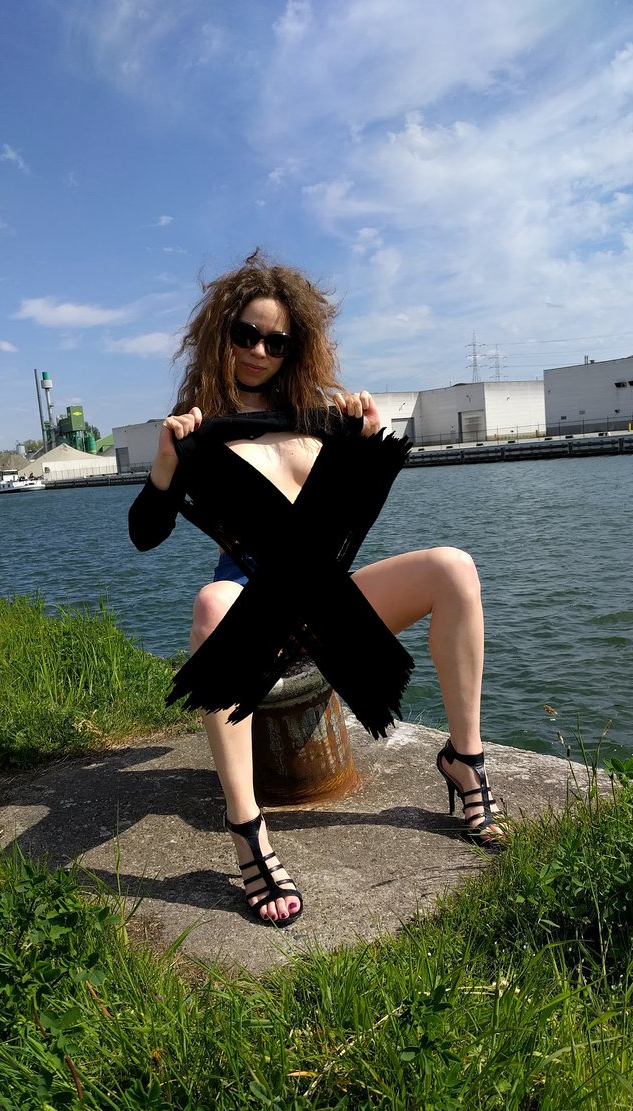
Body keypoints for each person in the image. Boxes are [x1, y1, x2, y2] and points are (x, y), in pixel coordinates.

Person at [128, 248, 507, 929]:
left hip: (327, 606)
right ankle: (247, 829)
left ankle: (465, 761)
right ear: (221, 332)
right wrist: (163, 465)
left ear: (296, 346)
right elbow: (145, 534)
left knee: (454, 567)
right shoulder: (196, 429)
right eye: (246, 334)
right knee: (212, 603)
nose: (259, 352)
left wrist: (365, 444)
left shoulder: (314, 417)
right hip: (254, 611)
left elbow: (347, 522)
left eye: (277, 341)